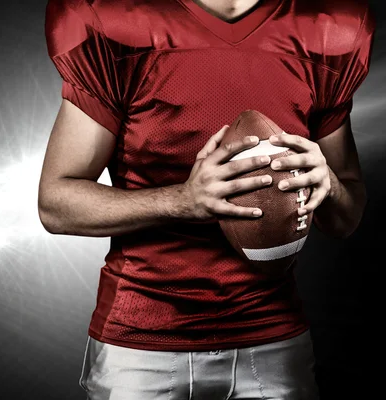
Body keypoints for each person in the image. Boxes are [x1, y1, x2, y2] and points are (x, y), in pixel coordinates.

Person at [39, 0, 374, 398]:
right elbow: (55, 203)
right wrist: (182, 200)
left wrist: (329, 184)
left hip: (271, 338)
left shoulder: (323, 28)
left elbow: (346, 219)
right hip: (142, 342)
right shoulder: (118, 21)